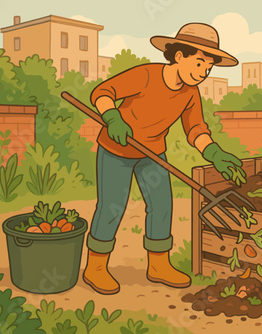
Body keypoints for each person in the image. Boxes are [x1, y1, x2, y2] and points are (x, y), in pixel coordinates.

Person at [83, 22, 244, 295]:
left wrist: (215, 153)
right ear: (179, 56)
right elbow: (102, 92)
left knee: (161, 205)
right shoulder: (146, 75)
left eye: (208, 67)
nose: (204, 72)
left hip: (152, 154)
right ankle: (95, 267)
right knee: (112, 206)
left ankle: (158, 265)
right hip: (117, 148)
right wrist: (113, 118)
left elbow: (195, 130)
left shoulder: (190, 93)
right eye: (199, 63)